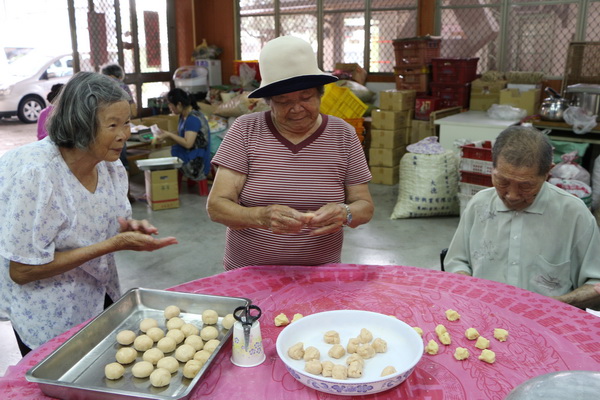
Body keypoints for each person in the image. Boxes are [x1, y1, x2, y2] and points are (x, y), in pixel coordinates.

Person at [0, 71, 178, 356]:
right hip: (48, 313)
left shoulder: (109, 165)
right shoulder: (37, 176)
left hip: (97, 293)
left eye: (127, 122)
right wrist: (111, 245)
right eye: (112, 125)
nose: (124, 134)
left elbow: (103, 219)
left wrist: (128, 229)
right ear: (80, 126)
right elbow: (23, 270)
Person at [206, 35, 374, 271]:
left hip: (320, 274)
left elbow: (364, 206)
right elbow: (217, 206)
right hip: (250, 272)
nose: (296, 108)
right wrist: (261, 217)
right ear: (269, 102)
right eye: (284, 101)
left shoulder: (342, 134)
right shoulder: (246, 130)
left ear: (319, 94)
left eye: (306, 98)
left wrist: (344, 212)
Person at [444, 126, 600, 309]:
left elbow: (595, 283)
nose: (512, 195)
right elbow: (457, 261)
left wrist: (557, 305)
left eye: (526, 186)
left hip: (547, 323)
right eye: (502, 181)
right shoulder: (479, 204)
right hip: (483, 313)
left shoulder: (574, 214)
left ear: (547, 173)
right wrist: (469, 286)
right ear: (492, 168)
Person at [153, 88, 210, 181]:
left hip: (196, 161)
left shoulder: (193, 119)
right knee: (156, 154)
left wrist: (169, 135)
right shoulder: (183, 116)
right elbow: (183, 133)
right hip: (188, 153)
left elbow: (188, 144)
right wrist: (165, 134)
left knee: (154, 157)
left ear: (179, 104)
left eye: (170, 104)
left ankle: (161, 189)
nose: (169, 107)